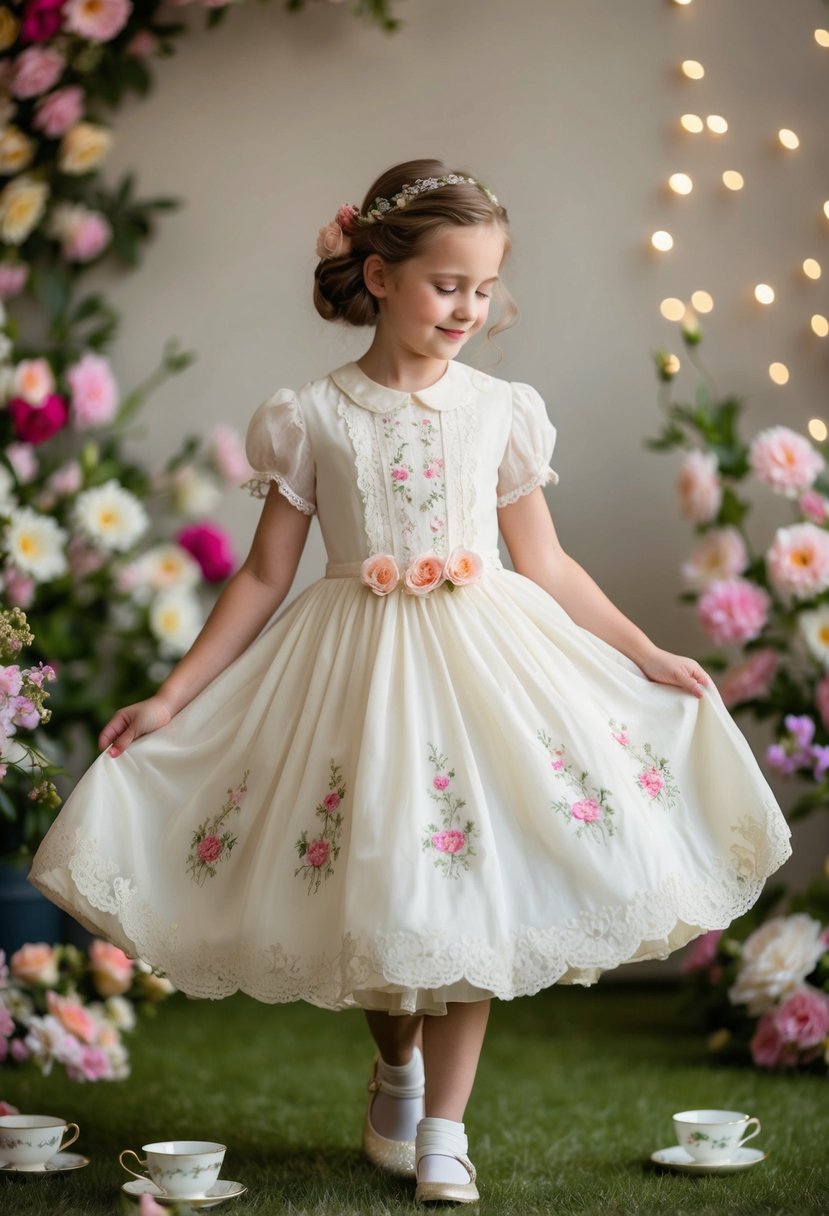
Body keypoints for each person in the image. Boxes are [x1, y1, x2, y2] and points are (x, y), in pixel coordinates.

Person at [29, 158, 792, 1205]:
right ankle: (397, 1060)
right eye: (447, 284)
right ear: (378, 275)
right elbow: (263, 575)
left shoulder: (501, 410)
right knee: (384, 891)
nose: (469, 308)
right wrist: (172, 696)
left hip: (485, 669)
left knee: (470, 893)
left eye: (483, 288)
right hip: (354, 673)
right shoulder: (311, 416)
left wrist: (640, 651)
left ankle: (445, 1130)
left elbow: (548, 562)